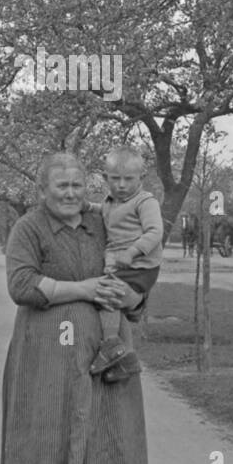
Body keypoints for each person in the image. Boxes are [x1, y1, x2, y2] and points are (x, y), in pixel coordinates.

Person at [0, 152, 150, 464]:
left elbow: (136, 266)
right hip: (45, 353)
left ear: (89, 186)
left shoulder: (104, 221)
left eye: (77, 185)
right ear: (43, 189)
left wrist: (132, 296)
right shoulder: (29, 228)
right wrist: (84, 289)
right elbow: (22, 285)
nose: (70, 193)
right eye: (61, 186)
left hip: (104, 348)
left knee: (98, 427)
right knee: (52, 429)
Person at [89, 147, 164, 378]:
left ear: (141, 178)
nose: (122, 185)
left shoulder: (145, 201)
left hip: (140, 265)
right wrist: (87, 207)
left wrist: (131, 252)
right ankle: (129, 357)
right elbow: (105, 213)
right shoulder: (111, 202)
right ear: (105, 178)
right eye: (115, 179)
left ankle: (111, 344)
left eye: (128, 179)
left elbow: (155, 232)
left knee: (107, 296)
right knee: (117, 303)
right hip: (124, 265)